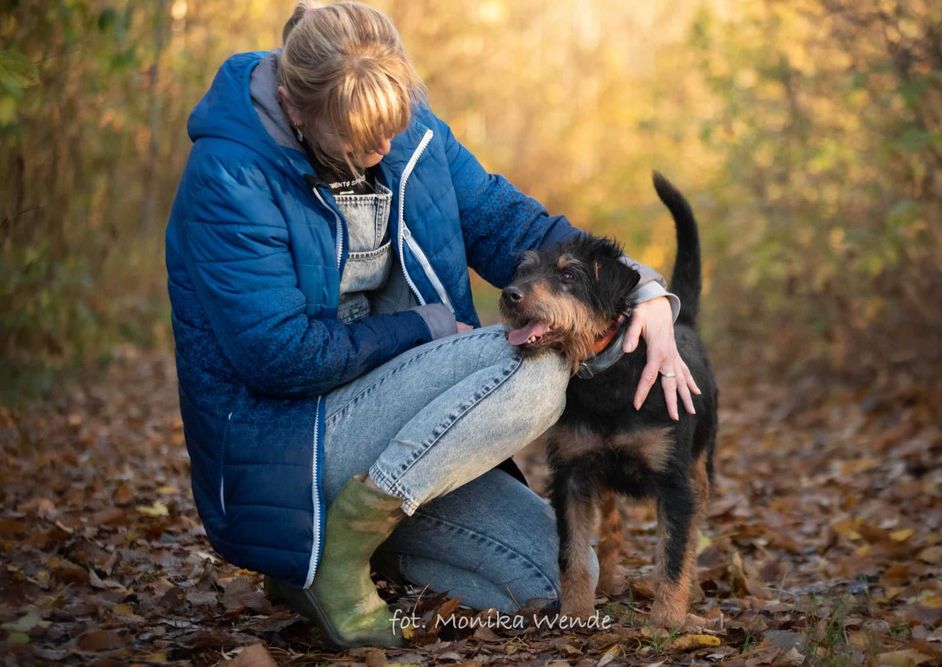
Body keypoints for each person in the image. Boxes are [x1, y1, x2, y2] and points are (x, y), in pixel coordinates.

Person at [165, 1, 700, 648]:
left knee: (556, 573)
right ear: (293, 105)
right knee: (533, 371)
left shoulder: (408, 133)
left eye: (392, 125)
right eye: (360, 140)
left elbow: (517, 228)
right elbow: (277, 355)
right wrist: (423, 328)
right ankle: (331, 551)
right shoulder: (230, 174)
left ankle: (325, 555)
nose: (382, 148)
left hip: (405, 435)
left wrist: (646, 290)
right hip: (293, 441)